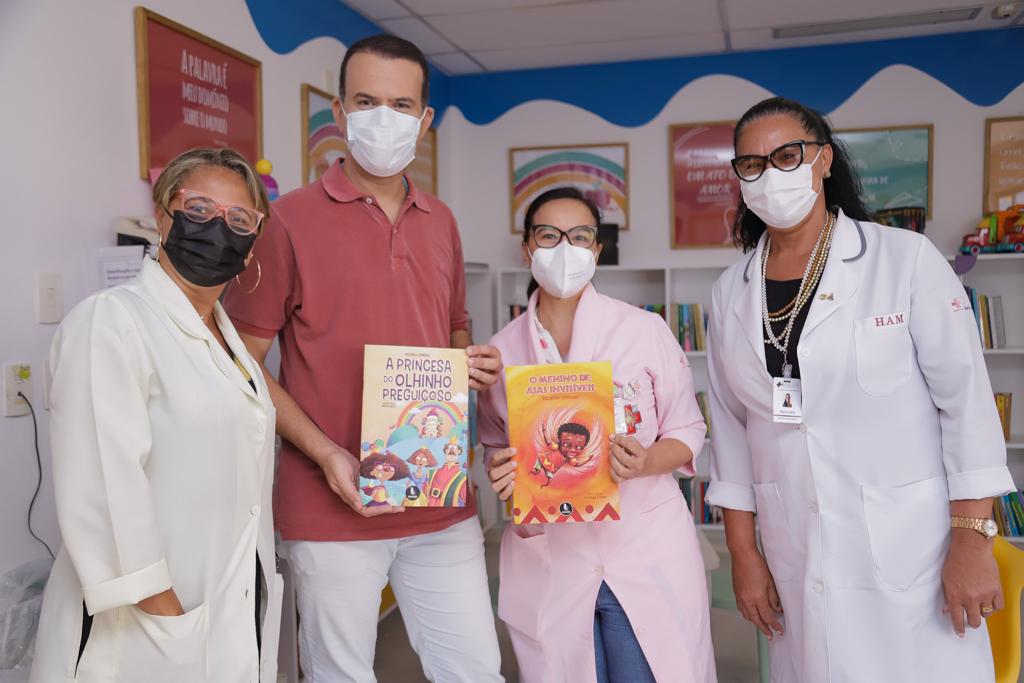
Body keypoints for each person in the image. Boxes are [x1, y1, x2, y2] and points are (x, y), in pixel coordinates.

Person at [224, 35, 504, 682]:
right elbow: (241, 361)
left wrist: (467, 365)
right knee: (339, 674)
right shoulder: (285, 221)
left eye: (401, 105)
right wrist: (325, 453)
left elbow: (454, 327)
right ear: (340, 111)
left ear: (425, 120)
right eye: (367, 101)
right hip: (331, 502)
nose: (384, 118)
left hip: (436, 495)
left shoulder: (442, 221)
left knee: (475, 670)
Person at [706, 96, 1013, 682]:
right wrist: (744, 555)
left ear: (823, 160)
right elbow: (731, 432)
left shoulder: (904, 261)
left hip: (911, 553)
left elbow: (967, 405)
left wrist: (973, 541)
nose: (770, 175)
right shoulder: (730, 293)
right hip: (797, 552)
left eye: (786, 156)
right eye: (751, 164)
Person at [32, 148, 282, 683]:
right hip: (147, 627)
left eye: (239, 219)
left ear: (252, 243)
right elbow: (103, 487)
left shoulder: (231, 344)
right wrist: (168, 619)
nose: (218, 229)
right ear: (163, 216)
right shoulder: (111, 321)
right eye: (199, 209)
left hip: (227, 610)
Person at [480, 187, 716, 683]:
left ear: (597, 249)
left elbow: (687, 427)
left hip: (644, 549)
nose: (565, 248)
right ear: (527, 248)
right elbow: (496, 445)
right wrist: (502, 471)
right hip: (552, 558)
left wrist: (646, 461)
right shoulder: (500, 353)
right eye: (549, 235)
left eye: (580, 236)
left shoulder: (643, 329)